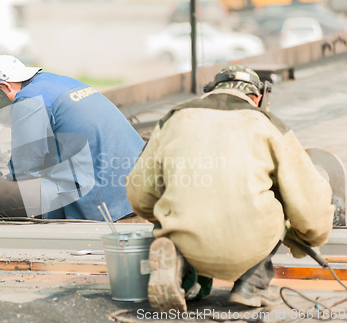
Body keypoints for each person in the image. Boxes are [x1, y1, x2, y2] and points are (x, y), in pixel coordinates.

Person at [126, 65, 334, 311]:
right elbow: (309, 204)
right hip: (250, 248)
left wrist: (166, 217)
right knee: (282, 199)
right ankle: (251, 285)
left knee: (177, 198)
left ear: (213, 90)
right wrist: (306, 238)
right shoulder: (269, 126)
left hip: (184, 238)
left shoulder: (174, 118)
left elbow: (140, 194)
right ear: (258, 97)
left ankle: (180, 272)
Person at [0, 55, 145, 221]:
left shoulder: (28, 100)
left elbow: (25, 174)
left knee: (0, 195)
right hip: (139, 188)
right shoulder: (55, 82)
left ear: (4, 86)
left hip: (105, 202)